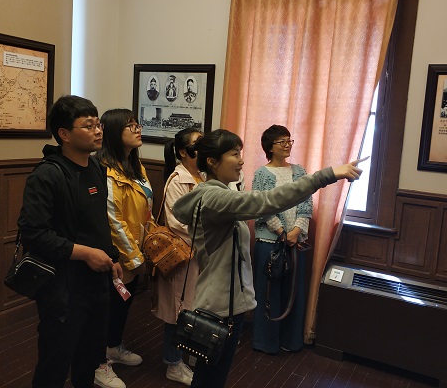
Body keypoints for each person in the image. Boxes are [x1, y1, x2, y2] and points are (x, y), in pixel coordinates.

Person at [172, 129, 364, 388]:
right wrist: (327, 175)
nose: (241, 160)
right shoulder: (215, 198)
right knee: (209, 379)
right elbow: (268, 200)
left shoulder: (217, 194)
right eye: (234, 154)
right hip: (219, 306)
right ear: (212, 162)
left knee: (211, 377)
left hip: (224, 302)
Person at [17, 95, 124, 388]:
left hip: (97, 281)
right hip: (63, 286)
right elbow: (34, 234)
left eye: (98, 124)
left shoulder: (96, 168)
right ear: (64, 134)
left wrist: (113, 256)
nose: (98, 131)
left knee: (89, 359)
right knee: (55, 361)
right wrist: (86, 253)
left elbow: (97, 223)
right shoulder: (47, 175)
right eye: (88, 125)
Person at [96, 109, 152, 384]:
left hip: (136, 249)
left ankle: (113, 346)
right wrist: (133, 256)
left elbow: (145, 209)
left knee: (123, 304)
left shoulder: (135, 165)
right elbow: (113, 219)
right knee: (106, 309)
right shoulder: (106, 170)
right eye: (129, 126)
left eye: (137, 124)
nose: (137, 129)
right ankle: (98, 363)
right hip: (117, 254)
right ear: (113, 133)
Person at [151, 127, 205, 386]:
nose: (202, 149)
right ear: (183, 152)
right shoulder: (177, 180)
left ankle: (191, 354)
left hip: (203, 253)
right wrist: (208, 233)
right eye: (197, 145)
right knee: (179, 310)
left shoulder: (203, 176)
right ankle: (173, 363)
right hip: (186, 254)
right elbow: (176, 223)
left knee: (197, 307)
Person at [251, 125, 311, 354]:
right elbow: (262, 206)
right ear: (269, 147)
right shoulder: (261, 174)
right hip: (270, 243)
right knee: (268, 293)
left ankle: (291, 341)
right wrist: (281, 233)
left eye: (289, 140)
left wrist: (296, 231)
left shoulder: (300, 171)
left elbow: (306, 202)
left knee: (293, 292)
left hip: (295, 241)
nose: (287, 145)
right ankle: (266, 342)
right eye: (281, 141)